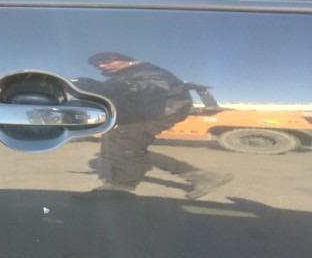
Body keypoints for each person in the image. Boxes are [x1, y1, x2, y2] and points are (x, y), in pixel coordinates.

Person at [75, 52, 232, 199]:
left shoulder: (145, 70)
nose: (102, 66)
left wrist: (103, 87)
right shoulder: (123, 76)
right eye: (97, 65)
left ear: (127, 60)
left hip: (158, 113)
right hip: (139, 115)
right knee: (123, 147)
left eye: (106, 62)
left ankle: (120, 187)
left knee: (124, 146)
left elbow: (150, 88)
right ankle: (121, 185)